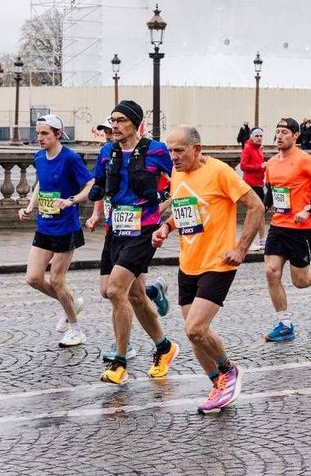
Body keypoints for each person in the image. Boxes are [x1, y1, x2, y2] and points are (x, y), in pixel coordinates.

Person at [152, 125, 265, 412]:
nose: (173, 157)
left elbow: (256, 206)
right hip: (188, 262)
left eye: (179, 150)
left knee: (195, 329)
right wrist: (165, 227)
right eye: (170, 151)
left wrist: (241, 248)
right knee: (196, 337)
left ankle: (229, 370)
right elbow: (184, 211)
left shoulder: (220, 172)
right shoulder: (178, 172)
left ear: (197, 149)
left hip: (219, 262)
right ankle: (218, 385)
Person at [87, 100, 179, 384]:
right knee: (128, 295)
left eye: (121, 120)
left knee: (116, 291)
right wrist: (85, 202)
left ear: (136, 124)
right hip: (116, 230)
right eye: (112, 119)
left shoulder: (157, 151)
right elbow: (98, 186)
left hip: (143, 232)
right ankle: (164, 347)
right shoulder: (106, 152)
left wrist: (164, 213)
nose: (114, 125)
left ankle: (120, 362)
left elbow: (182, 180)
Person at [262, 117, 311, 342]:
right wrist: (262, 207)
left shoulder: (305, 159)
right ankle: (285, 324)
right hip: (278, 226)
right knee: (271, 271)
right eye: (277, 132)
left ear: (296, 136)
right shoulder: (271, 163)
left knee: (300, 281)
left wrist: (309, 208)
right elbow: (272, 193)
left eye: (285, 132)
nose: (279, 136)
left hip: (302, 228)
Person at [19, 114, 95, 348]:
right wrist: (30, 206)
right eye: (38, 133)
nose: (39, 138)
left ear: (58, 135)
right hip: (44, 225)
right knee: (33, 278)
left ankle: (76, 330)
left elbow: (90, 184)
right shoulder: (39, 157)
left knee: (57, 280)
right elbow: (42, 183)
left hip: (66, 227)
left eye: (44, 134)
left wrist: (72, 200)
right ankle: (71, 303)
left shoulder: (70, 158)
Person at [240, 127, 267, 247]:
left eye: (261, 136)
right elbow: (243, 166)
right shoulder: (248, 148)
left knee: (261, 212)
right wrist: (260, 166)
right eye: (257, 136)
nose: (259, 138)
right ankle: (248, 240)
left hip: (259, 184)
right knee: (254, 213)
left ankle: (262, 240)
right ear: (251, 137)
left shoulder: (259, 149)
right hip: (251, 184)